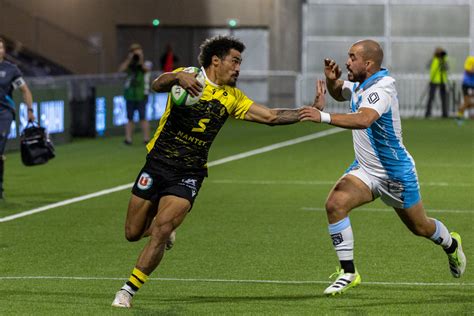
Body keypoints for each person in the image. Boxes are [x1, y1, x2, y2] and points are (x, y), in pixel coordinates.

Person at [112, 35, 316, 308]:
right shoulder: (188, 76)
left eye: (240, 63)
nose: (238, 68)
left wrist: (308, 111)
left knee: (160, 230)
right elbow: (156, 84)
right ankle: (167, 230)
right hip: (157, 164)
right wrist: (176, 79)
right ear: (216, 61)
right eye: (234, 61)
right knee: (132, 233)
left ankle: (127, 291)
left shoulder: (232, 97)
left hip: (189, 173)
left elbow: (270, 116)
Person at [298, 39, 466, 296]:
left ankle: (451, 244)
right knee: (335, 204)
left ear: (368, 63)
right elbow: (339, 92)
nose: (346, 61)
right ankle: (348, 272)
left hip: (394, 173)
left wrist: (323, 116)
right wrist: (331, 82)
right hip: (365, 170)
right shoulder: (360, 86)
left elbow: (364, 119)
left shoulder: (383, 88)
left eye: (352, 57)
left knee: (420, 228)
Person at [0, 37, 35, 200]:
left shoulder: (11, 70)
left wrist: (29, 110)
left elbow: (25, 90)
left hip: (4, 113)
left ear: (4, 51)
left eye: (0, 47)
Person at [118, 43, 150, 145]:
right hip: (130, 95)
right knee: (129, 118)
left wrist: (140, 59)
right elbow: (121, 69)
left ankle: (146, 139)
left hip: (141, 94)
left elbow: (146, 70)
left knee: (143, 117)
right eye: (133, 51)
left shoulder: (144, 63)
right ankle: (128, 139)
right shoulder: (129, 64)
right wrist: (129, 59)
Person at [425, 47, 449, 118]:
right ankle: (428, 113)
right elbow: (428, 66)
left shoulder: (444, 60)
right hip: (434, 80)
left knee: (444, 98)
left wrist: (443, 60)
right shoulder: (433, 60)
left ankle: (445, 114)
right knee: (431, 98)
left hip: (442, 80)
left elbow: (447, 68)